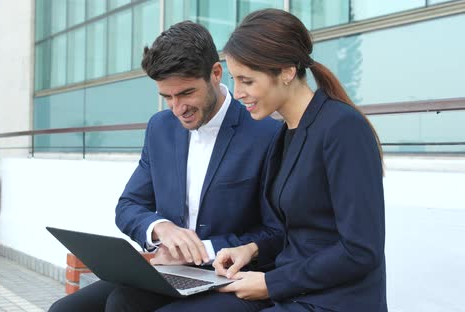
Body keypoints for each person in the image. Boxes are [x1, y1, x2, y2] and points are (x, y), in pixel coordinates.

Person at [49, 21, 282, 312]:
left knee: (124, 304)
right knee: (66, 310)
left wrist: (198, 250)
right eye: (166, 97)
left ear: (215, 73)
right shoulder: (160, 128)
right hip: (171, 273)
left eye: (186, 93)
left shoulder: (266, 133)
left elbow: (277, 231)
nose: (177, 108)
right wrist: (160, 228)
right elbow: (129, 205)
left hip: (233, 277)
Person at [212, 9, 387, 312]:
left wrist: (271, 284)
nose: (237, 93)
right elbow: (301, 233)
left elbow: (360, 250)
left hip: (334, 301)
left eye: (247, 81)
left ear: (287, 71)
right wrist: (251, 249)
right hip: (293, 291)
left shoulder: (342, 129)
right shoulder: (284, 135)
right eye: (234, 80)